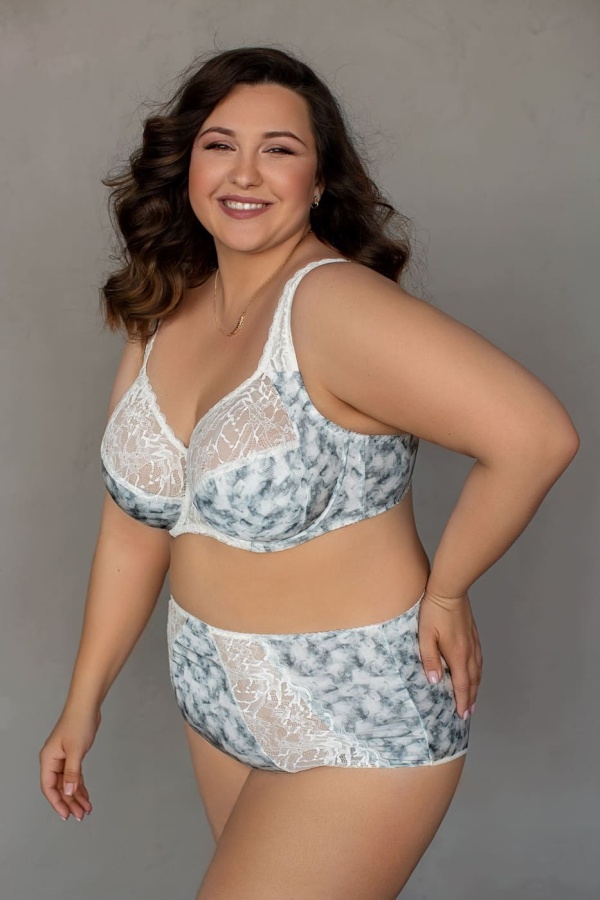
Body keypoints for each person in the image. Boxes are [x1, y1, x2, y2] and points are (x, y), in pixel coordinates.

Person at [39, 46, 579, 898]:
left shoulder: (334, 305)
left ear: (320, 179)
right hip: (215, 695)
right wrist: (83, 701)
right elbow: (134, 526)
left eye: (280, 149)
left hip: (354, 711)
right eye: (220, 145)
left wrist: (446, 590)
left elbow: (535, 435)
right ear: (187, 166)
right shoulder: (164, 308)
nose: (244, 173)